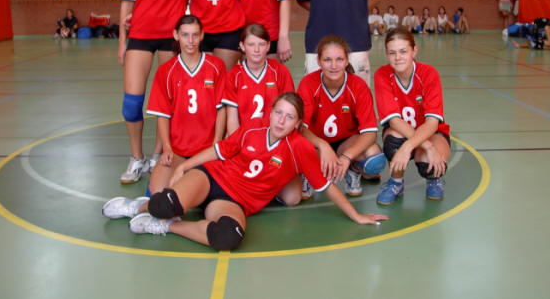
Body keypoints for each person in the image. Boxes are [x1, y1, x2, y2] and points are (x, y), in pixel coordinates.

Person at [102, 92, 388, 250]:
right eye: (278, 112)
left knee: (228, 237)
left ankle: (165, 226)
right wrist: (186, 165)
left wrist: (356, 215)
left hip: (234, 202)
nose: (281, 121)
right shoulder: (253, 127)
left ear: (298, 123)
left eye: (289, 117)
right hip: (211, 177)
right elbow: (220, 150)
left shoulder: (300, 148)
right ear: (271, 112)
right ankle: (136, 207)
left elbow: (326, 186)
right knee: (164, 203)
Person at [115, 0, 199, 184]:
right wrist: (122, 41)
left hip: (170, 36)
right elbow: (127, 1)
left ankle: (156, 154)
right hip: (140, 33)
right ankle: (136, 158)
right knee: (131, 103)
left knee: (168, 101)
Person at [143, 15, 226, 194]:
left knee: (199, 193)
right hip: (178, 151)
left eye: (195, 35)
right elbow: (162, 115)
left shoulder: (216, 66)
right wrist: (166, 147)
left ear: (202, 35)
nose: (191, 41)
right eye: (185, 35)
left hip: (206, 151)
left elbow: (221, 110)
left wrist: (216, 143)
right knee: (156, 192)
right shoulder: (166, 71)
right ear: (176, 35)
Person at [297, 35, 385, 201]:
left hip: (346, 143)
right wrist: (323, 146)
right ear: (319, 61)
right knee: (297, 144)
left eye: (339, 59)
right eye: (327, 60)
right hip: (316, 144)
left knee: (374, 156)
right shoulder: (308, 84)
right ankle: (308, 172)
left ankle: (353, 169)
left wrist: (347, 156)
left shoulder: (358, 86)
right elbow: (301, 128)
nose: (334, 66)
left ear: (346, 61)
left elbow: (370, 132)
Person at [374, 27, 451, 205]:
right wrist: (425, 147)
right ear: (386, 54)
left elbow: (432, 123)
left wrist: (411, 147)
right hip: (401, 132)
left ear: (414, 51)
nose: (398, 57)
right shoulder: (382, 75)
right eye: (392, 53)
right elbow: (394, 121)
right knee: (393, 143)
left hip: (431, 133)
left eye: (403, 51)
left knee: (428, 164)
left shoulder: (429, 73)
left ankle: (434, 179)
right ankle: (396, 182)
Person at [223, 23, 295, 135]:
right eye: (251, 44)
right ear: (242, 46)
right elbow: (232, 121)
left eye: (261, 44)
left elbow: (290, 112)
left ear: (268, 46)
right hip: (245, 139)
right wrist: (238, 142)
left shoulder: (280, 71)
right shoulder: (233, 76)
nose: (256, 49)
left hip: (275, 138)